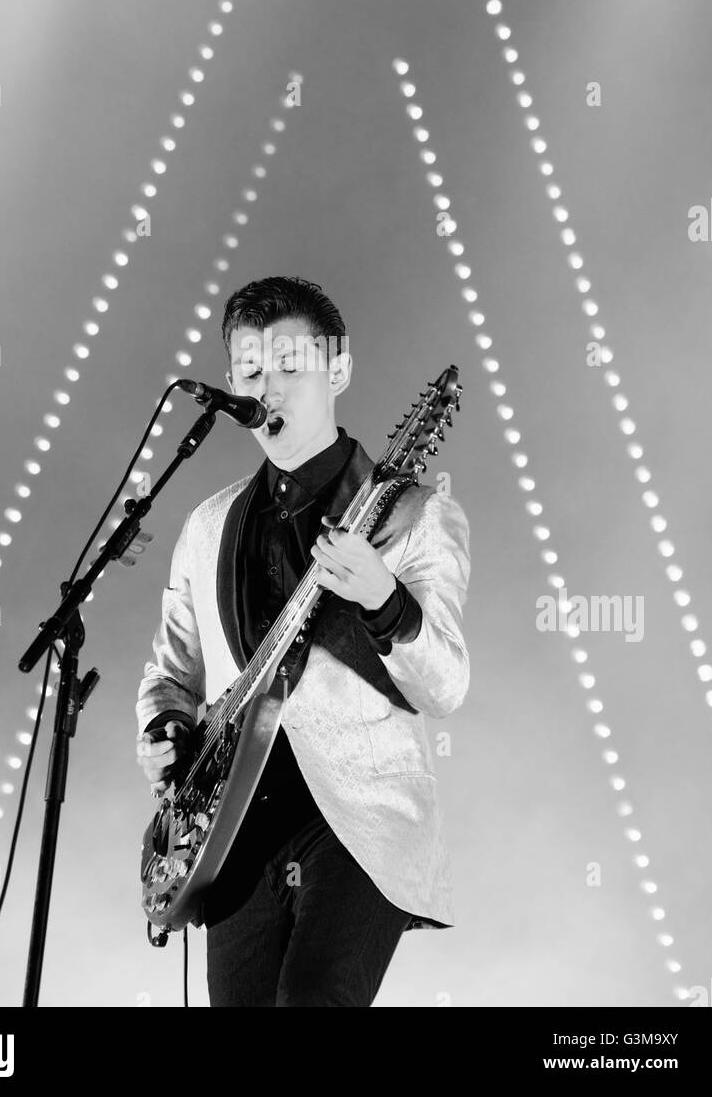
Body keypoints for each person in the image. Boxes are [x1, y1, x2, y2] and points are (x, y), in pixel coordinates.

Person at [136, 275, 470, 1006]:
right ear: (230, 382)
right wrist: (162, 728)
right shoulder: (206, 526)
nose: (271, 387)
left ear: (338, 368)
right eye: (252, 370)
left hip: (358, 824)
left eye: (291, 367)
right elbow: (170, 673)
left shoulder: (413, 516)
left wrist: (380, 596)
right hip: (231, 833)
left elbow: (444, 685)